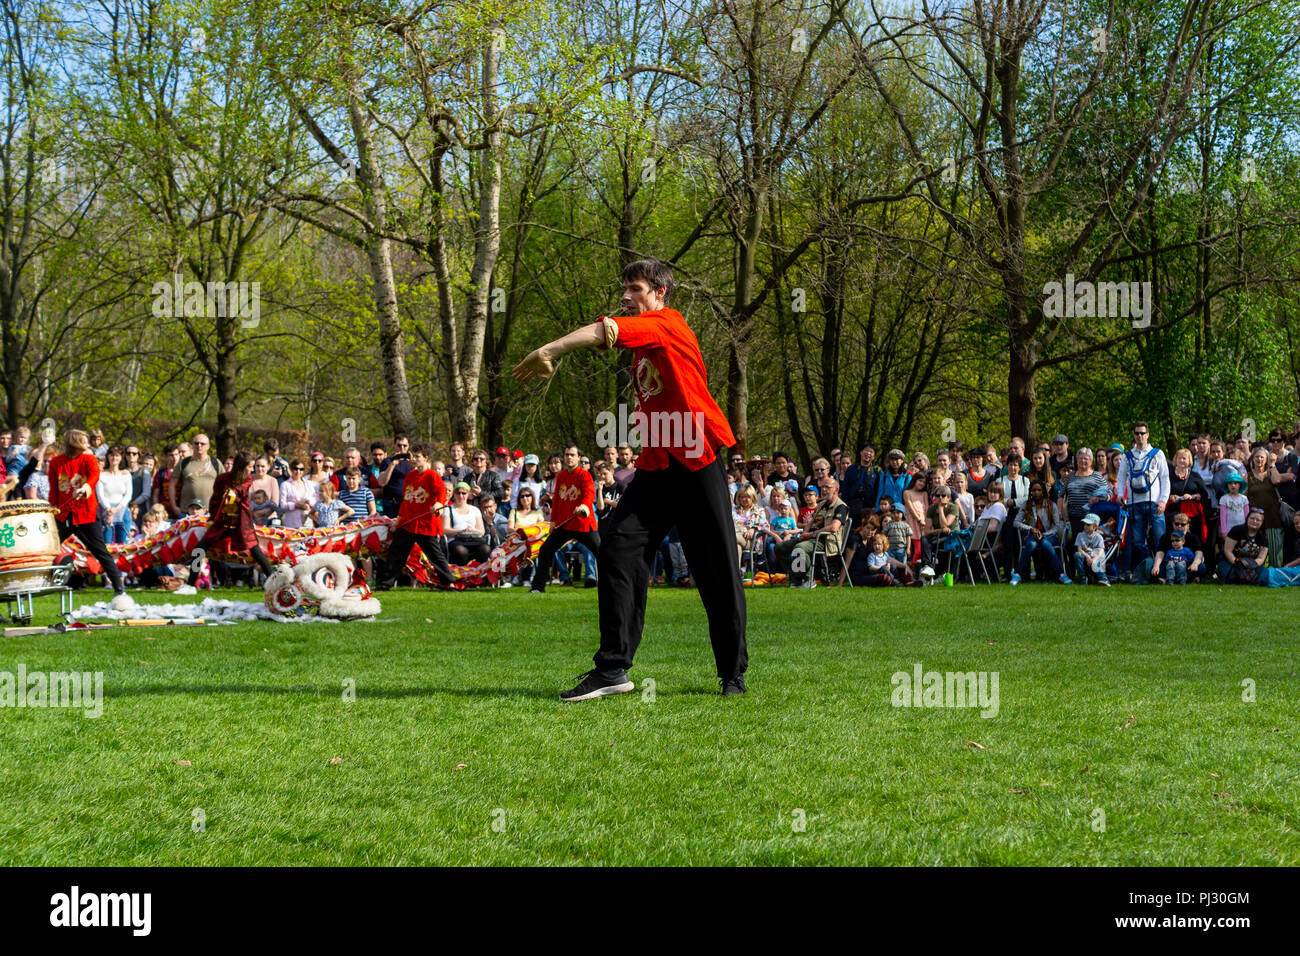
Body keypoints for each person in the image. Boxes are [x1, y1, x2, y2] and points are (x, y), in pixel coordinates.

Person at [513, 256, 747, 698]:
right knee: (618, 547)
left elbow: (605, 330)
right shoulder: (648, 342)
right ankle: (613, 669)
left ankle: (732, 675)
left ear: (659, 293)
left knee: (715, 568)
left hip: (697, 462)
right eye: (625, 289)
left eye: (635, 289)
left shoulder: (667, 324)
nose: (626, 296)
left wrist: (549, 350)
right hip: (658, 467)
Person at [47, 431, 130, 606]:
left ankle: (119, 589)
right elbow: (54, 488)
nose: (88, 445)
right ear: (75, 443)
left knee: (101, 551)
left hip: (86, 515)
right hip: (63, 515)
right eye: (84, 442)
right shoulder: (56, 462)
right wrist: (53, 508)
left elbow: (94, 476)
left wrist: (85, 486)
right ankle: (40, 585)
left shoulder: (89, 459)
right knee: (49, 550)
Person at [375, 443, 455, 589]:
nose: (414, 459)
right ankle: (385, 584)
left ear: (425, 458)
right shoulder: (410, 476)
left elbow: (442, 496)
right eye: (414, 456)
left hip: (426, 524)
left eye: (417, 456)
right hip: (408, 523)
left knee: (435, 555)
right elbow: (406, 500)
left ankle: (449, 582)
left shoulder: (433, 477)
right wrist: (398, 520)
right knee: (396, 553)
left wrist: (438, 505)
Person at [528, 445, 600, 593]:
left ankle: (614, 583)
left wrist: (584, 508)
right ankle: (537, 587)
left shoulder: (584, 475)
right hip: (565, 525)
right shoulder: (561, 476)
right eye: (567, 455)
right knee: (545, 551)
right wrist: (553, 523)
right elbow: (558, 503)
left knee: (602, 553)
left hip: (583, 524)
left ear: (578, 458)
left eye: (572, 455)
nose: (569, 458)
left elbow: (589, 494)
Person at [199, 452, 276, 577]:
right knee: (200, 548)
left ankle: (273, 579)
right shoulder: (222, 479)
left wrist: (232, 492)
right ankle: (190, 584)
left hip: (242, 523)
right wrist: (213, 518)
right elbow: (215, 500)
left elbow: (242, 489)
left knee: (256, 551)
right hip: (222, 522)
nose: (252, 470)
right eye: (250, 467)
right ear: (241, 466)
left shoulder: (248, 478)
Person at [773, 475, 849, 588]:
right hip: (810, 537)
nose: (823, 490)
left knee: (800, 548)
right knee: (779, 548)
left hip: (826, 540)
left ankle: (808, 579)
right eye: (822, 487)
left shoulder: (840, 506)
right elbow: (810, 522)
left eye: (827, 487)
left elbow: (834, 528)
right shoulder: (822, 504)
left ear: (836, 489)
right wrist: (805, 533)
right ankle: (796, 576)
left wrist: (811, 534)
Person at [1116, 422, 1169, 578]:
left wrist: (1163, 500)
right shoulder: (1127, 456)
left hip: (1154, 502)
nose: (1140, 436)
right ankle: (1148, 570)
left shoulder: (1157, 453)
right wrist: (1120, 494)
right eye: (1137, 433)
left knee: (1160, 538)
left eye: (1142, 433)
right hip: (1134, 503)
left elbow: (1165, 478)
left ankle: (1163, 572)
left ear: (1148, 434)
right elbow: (1121, 477)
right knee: (1138, 541)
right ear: (1134, 435)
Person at [1010, 480, 1072, 585]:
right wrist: (1030, 529)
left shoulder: (1051, 505)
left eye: (1039, 490)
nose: (1036, 493)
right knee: (1031, 544)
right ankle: (1017, 575)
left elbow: (1056, 526)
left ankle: (1061, 574)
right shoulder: (1027, 504)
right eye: (1034, 490)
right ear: (1030, 492)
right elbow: (1016, 522)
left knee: (1045, 544)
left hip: (1049, 535)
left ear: (1043, 491)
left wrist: (1044, 535)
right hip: (1032, 535)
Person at [440, 482, 491, 564]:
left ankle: (479, 572)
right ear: (454, 494)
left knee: (485, 549)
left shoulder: (475, 510)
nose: (460, 496)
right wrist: (461, 531)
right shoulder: (448, 510)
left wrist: (472, 530)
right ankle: (463, 573)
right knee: (461, 551)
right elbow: (445, 529)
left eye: (464, 493)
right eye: (458, 493)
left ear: (468, 494)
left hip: (474, 538)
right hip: (456, 539)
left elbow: (482, 531)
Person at [97, 445, 134, 544]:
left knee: (123, 544)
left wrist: (116, 509)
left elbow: (128, 495)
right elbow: (100, 495)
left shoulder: (126, 474)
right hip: (106, 511)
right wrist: (109, 510)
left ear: (121, 457)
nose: (114, 458)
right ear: (108, 457)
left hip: (122, 510)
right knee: (107, 544)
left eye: (117, 455)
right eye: (112, 455)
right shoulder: (101, 475)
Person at [1221, 509, 1269, 584]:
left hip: (1252, 565)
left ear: (1262, 523)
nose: (1254, 521)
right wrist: (1238, 564)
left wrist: (1250, 565)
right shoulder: (1236, 530)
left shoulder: (1263, 537)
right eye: (1252, 518)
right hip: (1231, 562)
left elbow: (1261, 558)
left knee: (1263, 575)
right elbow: (1228, 551)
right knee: (1232, 574)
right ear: (1247, 519)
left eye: (1258, 520)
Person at [278, 460, 317, 528]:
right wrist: (296, 505)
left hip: (307, 521)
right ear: (291, 469)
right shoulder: (285, 485)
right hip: (292, 522)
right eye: (295, 468)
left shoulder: (309, 484)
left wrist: (309, 502)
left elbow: (315, 499)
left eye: (301, 469)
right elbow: (282, 505)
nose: (298, 471)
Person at [1072, 513, 1109, 585]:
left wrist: (1093, 559)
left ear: (1095, 526)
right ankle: (1083, 578)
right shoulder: (1080, 535)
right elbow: (1079, 549)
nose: (1085, 526)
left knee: (1099, 557)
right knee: (1077, 555)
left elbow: (1101, 550)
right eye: (1084, 524)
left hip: (1095, 557)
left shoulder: (1098, 537)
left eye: (1088, 525)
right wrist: (1087, 556)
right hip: (1085, 557)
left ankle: (1104, 579)